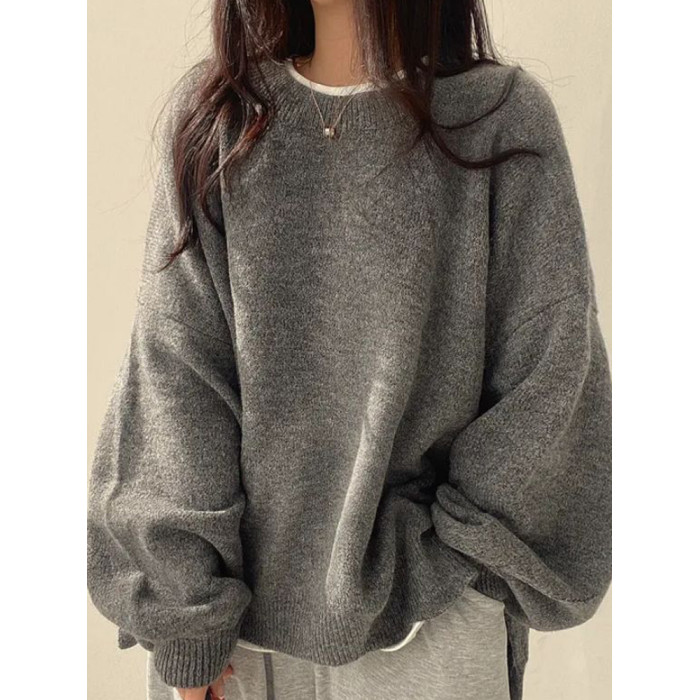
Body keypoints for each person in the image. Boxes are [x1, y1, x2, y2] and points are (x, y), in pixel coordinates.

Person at [86, 1, 613, 699]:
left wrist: (462, 565)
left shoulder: (498, 117)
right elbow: (175, 380)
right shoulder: (219, 122)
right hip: (237, 647)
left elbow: (551, 375)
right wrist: (188, 620)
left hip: (436, 624)